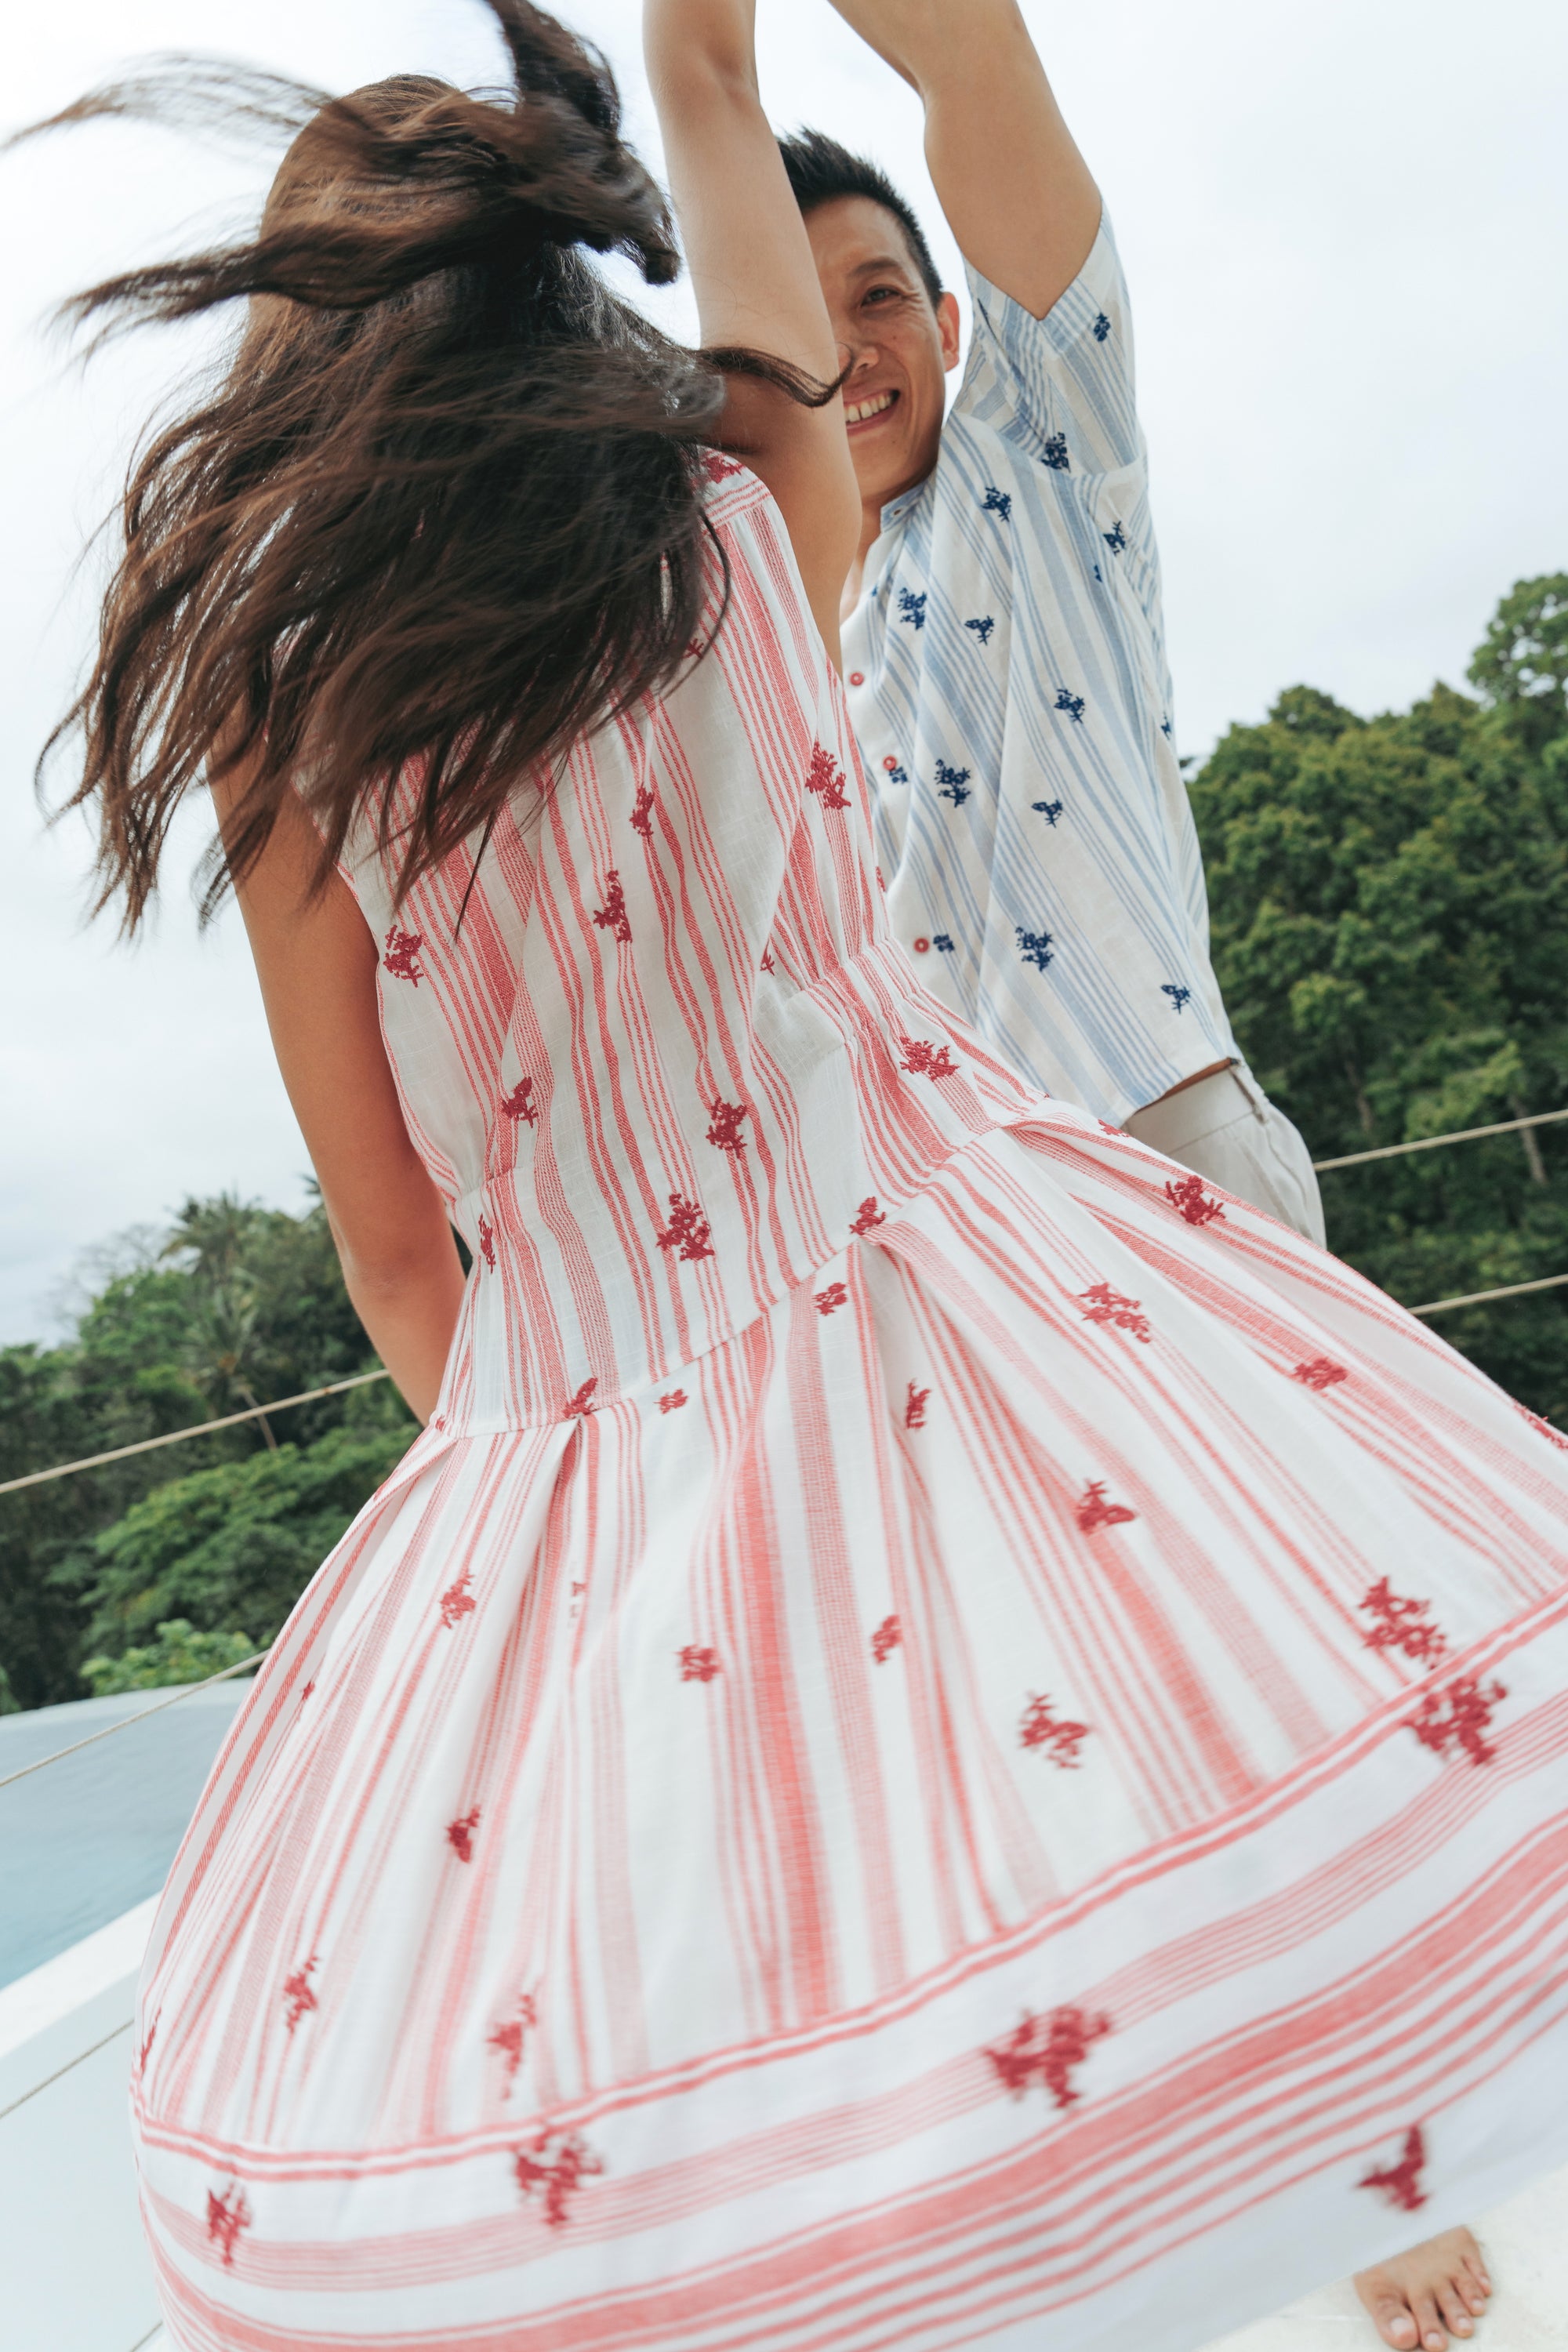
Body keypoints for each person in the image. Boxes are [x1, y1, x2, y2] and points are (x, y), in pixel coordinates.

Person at [30, 4, 1568, 2348]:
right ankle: (1333, 2161)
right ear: (563, 278)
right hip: (968, 1258)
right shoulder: (754, 476)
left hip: (575, 1402)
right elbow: (723, 107)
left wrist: (555, 1489)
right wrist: (690, 59)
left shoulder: (286, 724)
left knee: (725, 1942)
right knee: (1122, 1734)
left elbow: (388, 1241)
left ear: (299, 365)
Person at [781, 0, 1327, 1246]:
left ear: (949, 323)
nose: (850, 352)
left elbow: (974, 48)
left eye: (877, 298)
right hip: (963, 1225)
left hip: (1156, 1124)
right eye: (801, 327)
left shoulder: (1037, 462)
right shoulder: (759, 658)